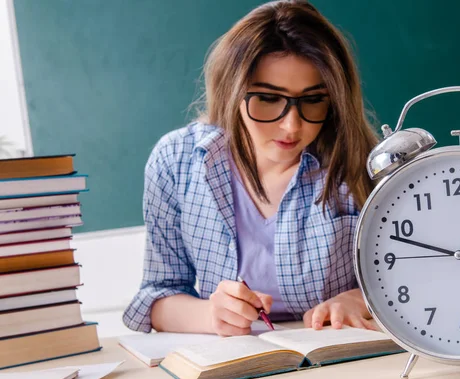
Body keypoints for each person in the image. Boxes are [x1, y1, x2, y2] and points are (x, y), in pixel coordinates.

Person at [123, 0, 379, 337]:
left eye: (313, 100)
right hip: (236, 362)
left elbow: (412, 277)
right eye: (269, 98)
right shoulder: (176, 161)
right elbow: (155, 296)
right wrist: (210, 315)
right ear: (232, 91)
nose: (292, 126)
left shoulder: (363, 164)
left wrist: (358, 300)